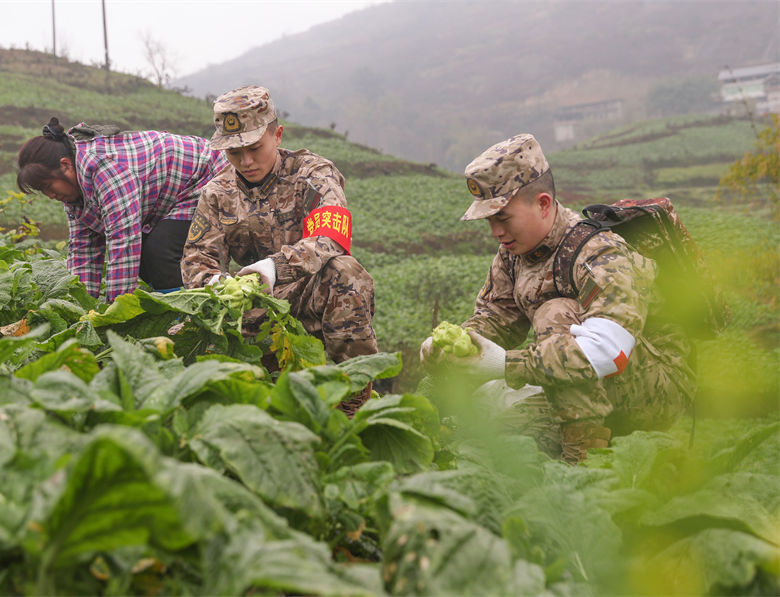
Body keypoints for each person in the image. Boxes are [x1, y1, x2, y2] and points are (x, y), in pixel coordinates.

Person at [420, 134, 695, 462]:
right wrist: (455, 346)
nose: (496, 231)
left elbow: (609, 353)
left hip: (654, 386)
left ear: (543, 204)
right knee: (501, 440)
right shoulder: (513, 255)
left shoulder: (599, 254)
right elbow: (496, 316)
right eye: (489, 221)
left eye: (503, 218)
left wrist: (504, 364)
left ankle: (584, 464)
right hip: (585, 386)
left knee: (555, 312)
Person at [181, 85, 378, 412]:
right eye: (233, 152)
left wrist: (272, 269)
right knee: (177, 336)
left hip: (305, 300)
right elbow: (196, 261)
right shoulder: (217, 193)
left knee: (346, 274)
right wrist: (219, 284)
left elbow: (331, 235)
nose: (245, 162)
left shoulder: (313, 174)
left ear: (278, 135)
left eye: (255, 148)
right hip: (247, 311)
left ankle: (352, 407)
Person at [17, 118, 227, 301]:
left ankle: (190, 314)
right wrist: (80, 308)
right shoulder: (74, 193)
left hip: (210, 176)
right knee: (147, 257)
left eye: (48, 187)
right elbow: (83, 250)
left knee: (160, 252)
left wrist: (115, 313)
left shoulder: (105, 168)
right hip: (174, 197)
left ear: (65, 165)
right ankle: (175, 306)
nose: (50, 196)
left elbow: (124, 241)